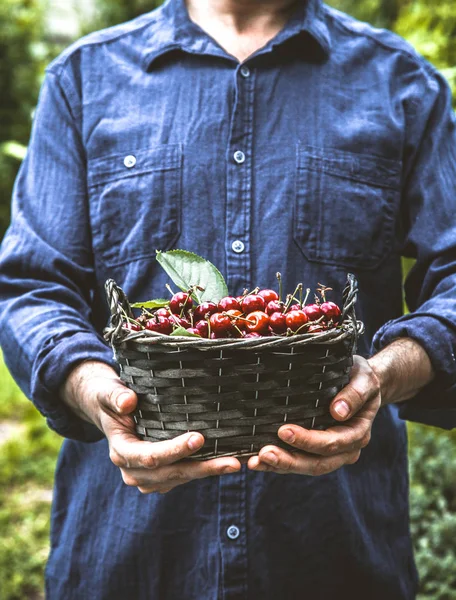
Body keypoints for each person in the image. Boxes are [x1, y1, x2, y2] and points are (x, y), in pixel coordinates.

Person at [0, 0, 455, 597]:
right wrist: (93, 389)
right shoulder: (84, 78)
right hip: (130, 558)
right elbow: (31, 285)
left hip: (332, 555)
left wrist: (384, 374)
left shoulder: (400, 82)